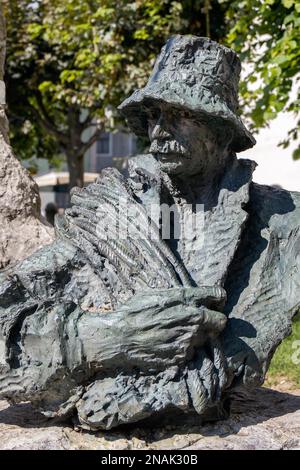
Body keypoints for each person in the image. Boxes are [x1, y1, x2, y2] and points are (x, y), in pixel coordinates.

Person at [0, 36, 299, 430]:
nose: (159, 131)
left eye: (181, 116)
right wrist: (107, 338)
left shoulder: (284, 223)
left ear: (223, 131)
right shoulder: (113, 212)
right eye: (154, 115)